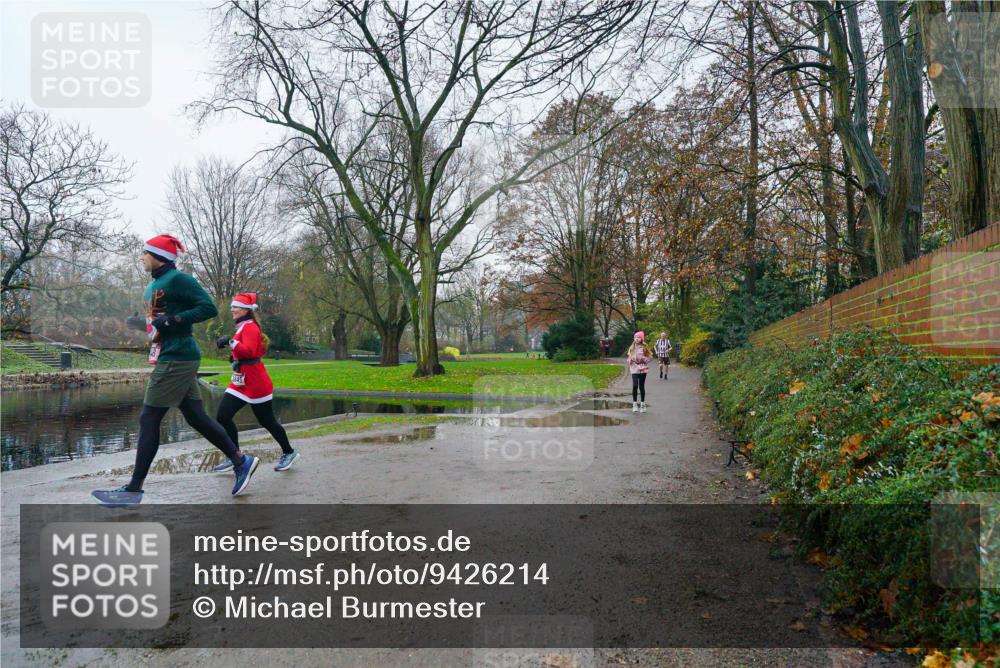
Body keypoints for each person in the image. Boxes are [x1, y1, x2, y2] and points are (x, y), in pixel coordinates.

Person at [92, 235, 260, 506]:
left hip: (177, 357)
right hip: (169, 355)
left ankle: (133, 490)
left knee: (149, 419)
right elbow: (158, 323)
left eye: (145, 253)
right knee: (196, 417)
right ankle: (241, 461)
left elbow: (206, 308)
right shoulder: (155, 285)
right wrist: (140, 324)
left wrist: (174, 319)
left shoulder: (179, 279)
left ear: (158, 255)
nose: (141, 257)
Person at [211, 293, 299, 473]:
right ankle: (235, 456)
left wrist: (231, 342)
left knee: (267, 421)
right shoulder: (243, 327)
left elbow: (250, 352)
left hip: (256, 383)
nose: (232, 309)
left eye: (235, 307)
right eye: (232, 307)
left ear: (246, 310)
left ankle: (289, 452)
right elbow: (244, 352)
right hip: (240, 382)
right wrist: (232, 352)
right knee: (222, 416)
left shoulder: (250, 327)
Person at [626, 331, 653, 413]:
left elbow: (650, 357)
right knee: (635, 385)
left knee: (641, 386)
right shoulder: (631, 347)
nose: (636, 339)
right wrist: (629, 361)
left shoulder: (645, 347)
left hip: (643, 368)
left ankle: (642, 404)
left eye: (638, 337)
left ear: (641, 338)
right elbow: (629, 357)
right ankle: (634, 404)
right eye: (635, 337)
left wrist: (645, 360)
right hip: (634, 368)